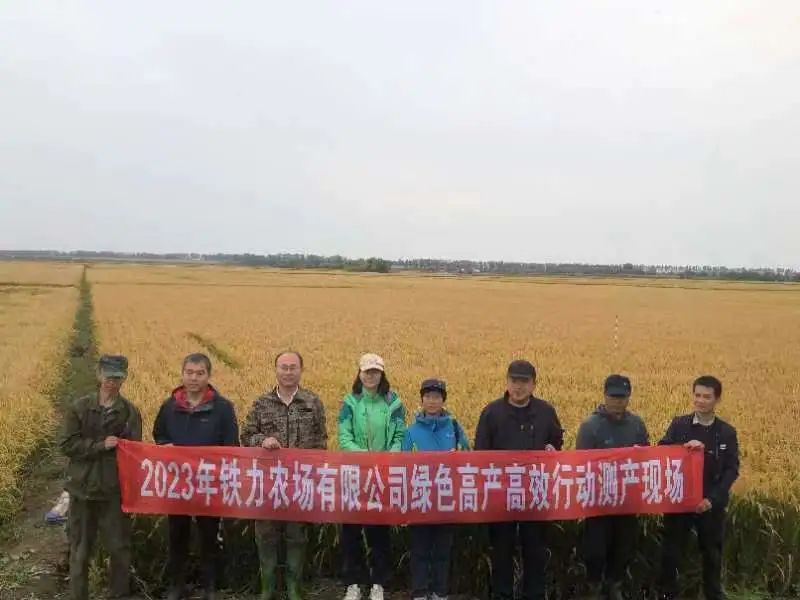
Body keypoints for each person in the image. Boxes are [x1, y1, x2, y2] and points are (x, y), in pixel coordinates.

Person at [241, 351, 328, 600]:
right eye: (283, 367)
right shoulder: (262, 403)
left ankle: (293, 588)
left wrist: (314, 470)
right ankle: (267, 587)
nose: (288, 372)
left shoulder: (312, 402)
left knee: (297, 535)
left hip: (300, 482)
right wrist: (262, 440)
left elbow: (321, 440)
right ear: (276, 370)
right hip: (268, 482)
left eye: (293, 367)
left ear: (301, 370)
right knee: (265, 535)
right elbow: (246, 436)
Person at [153, 353, 240, 600]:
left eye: (200, 373)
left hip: (209, 484)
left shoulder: (223, 408)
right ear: (182, 374)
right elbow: (159, 434)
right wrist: (165, 446)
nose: (194, 378)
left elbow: (231, 443)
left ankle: (209, 587)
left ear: (208, 376)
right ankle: (177, 585)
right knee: (177, 534)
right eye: (189, 373)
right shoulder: (169, 407)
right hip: (177, 483)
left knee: (209, 536)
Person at [474, 359, 563, 600]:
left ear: (534, 385)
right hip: (501, 496)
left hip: (535, 494)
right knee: (501, 551)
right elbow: (480, 452)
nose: (519, 387)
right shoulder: (491, 413)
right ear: (507, 382)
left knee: (535, 551)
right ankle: (502, 595)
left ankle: (534, 594)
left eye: (524, 382)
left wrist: (552, 449)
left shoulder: (546, 412)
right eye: (514, 381)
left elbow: (556, 441)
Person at [60, 354, 143, 600]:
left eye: (117, 377)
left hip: (113, 492)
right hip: (82, 490)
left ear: (124, 378)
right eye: (108, 376)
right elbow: (67, 445)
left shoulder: (129, 413)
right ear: (99, 375)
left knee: (119, 549)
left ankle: (119, 595)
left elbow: (135, 452)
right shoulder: (80, 408)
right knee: (80, 550)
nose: (112, 382)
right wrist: (100, 445)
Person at [658, 375, 739, 600]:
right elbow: (662, 451)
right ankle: (667, 594)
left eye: (706, 397)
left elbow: (731, 470)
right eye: (697, 395)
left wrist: (711, 500)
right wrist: (681, 448)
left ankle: (713, 594)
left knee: (712, 555)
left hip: (710, 504)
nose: (701, 401)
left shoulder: (726, 432)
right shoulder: (679, 425)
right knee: (671, 553)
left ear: (717, 399)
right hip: (679, 501)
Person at [337, 353, 406, 600]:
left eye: (375, 372)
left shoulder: (394, 402)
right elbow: (344, 436)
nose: (370, 376)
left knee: (379, 532)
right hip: (355, 474)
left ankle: (379, 583)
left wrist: (387, 458)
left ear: (382, 374)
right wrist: (364, 458)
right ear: (359, 373)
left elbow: (399, 435)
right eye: (367, 372)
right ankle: (353, 583)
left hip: (382, 475)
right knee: (351, 532)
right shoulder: (350, 402)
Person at [575, 374, 649, 600]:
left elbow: (647, 457)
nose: (617, 402)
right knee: (596, 551)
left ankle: (615, 585)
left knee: (624, 548)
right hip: (598, 503)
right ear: (604, 396)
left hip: (627, 501)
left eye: (622, 397)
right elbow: (581, 464)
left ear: (629, 397)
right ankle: (594, 587)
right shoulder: (590, 427)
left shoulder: (636, 425)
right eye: (613, 397)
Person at [401, 378, 469, 600]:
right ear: (422, 400)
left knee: (442, 551)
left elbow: (468, 456)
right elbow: (403, 464)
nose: (432, 401)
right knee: (420, 550)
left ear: (443, 400)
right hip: (420, 498)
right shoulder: (411, 432)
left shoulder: (454, 428)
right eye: (428, 396)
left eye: (437, 397)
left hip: (447, 499)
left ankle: (440, 592)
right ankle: (420, 592)